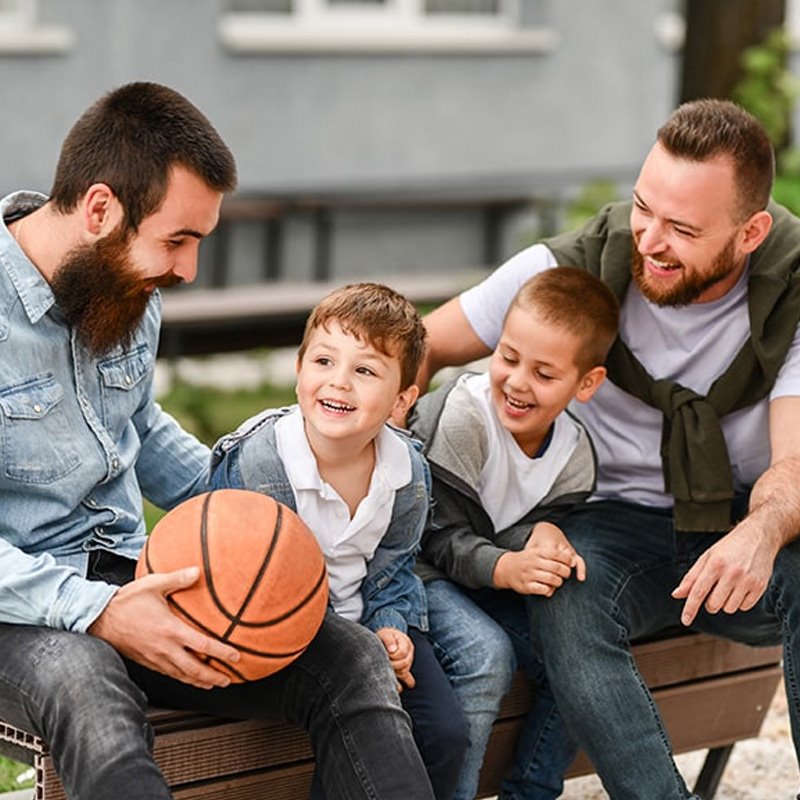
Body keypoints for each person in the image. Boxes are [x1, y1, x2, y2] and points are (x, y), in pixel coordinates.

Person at [0, 82, 436, 800]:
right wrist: (98, 611)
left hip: (137, 573)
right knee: (89, 683)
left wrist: (259, 507)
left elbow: (137, 426)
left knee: (348, 658)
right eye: (178, 240)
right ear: (101, 209)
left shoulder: (126, 291)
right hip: (23, 609)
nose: (187, 270)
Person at [415, 97, 800, 800]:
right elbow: (423, 345)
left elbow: (795, 465)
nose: (648, 238)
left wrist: (762, 532)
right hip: (612, 525)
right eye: (643, 206)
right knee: (568, 595)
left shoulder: (795, 288)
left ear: (751, 233)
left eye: (681, 227)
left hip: (745, 524)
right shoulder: (577, 264)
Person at [209, 281, 469, 800]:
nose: (339, 383)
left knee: (445, 734)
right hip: (280, 637)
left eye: (365, 370)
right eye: (324, 361)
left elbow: (393, 571)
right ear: (300, 369)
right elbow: (234, 584)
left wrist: (391, 629)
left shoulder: (407, 471)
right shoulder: (260, 464)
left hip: (367, 623)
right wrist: (360, 649)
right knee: (355, 732)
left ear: (402, 399)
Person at [408, 267, 619, 800]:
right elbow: (430, 533)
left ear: (586, 384)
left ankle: (531, 790)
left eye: (545, 374)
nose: (518, 382)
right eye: (507, 357)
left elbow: (518, 521)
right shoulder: (464, 419)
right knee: (487, 656)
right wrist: (506, 564)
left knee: (576, 655)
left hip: (480, 581)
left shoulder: (574, 457)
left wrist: (542, 534)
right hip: (419, 574)